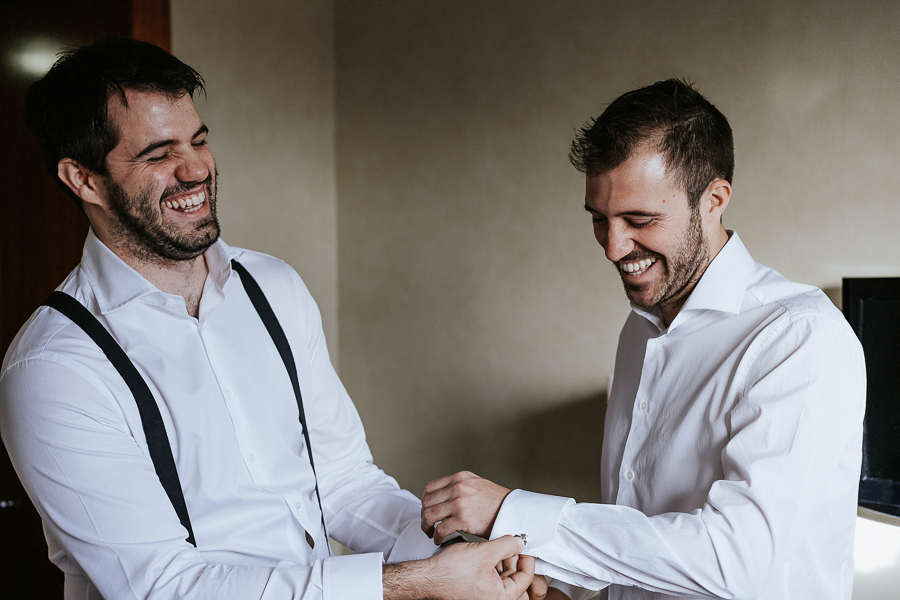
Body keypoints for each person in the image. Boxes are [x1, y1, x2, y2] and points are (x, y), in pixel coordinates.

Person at [0, 38, 540, 600]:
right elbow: (162, 589)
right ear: (83, 178)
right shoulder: (55, 368)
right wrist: (418, 583)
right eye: (159, 154)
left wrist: (457, 553)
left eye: (199, 140)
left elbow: (342, 483)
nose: (196, 169)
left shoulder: (272, 287)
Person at [421, 79, 866, 600]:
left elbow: (737, 564)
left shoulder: (798, 338)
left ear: (714, 200)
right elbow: (642, 530)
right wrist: (569, 590)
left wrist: (510, 512)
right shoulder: (640, 327)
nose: (613, 247)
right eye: (599, 219)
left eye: (640, 220)